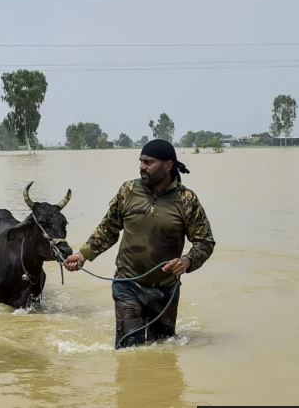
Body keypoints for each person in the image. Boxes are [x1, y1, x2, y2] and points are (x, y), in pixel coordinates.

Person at [63, 139, 215, 348]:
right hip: (128, 285)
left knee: (162, 351)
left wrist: (187, 261)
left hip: (165, 291)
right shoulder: (128, 191)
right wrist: (82, 256)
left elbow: (205, 241)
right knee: (129, 351)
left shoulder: (186, 200)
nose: (142, 166)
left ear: (168, 165)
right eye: (141, 161)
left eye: (148, 162)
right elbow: (108, 229)